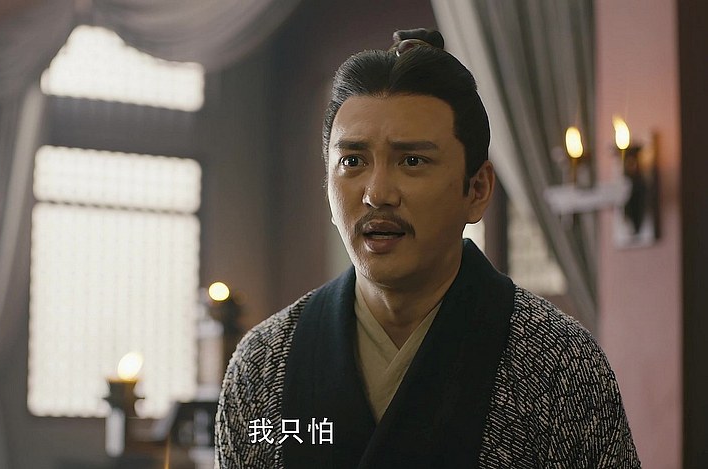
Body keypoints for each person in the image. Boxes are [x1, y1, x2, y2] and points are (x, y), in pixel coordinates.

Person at [215, 28, 640, 468]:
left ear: (477, 189)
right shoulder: (264, 361)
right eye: (353, 161)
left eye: (412, 161)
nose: (377, 194)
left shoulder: (559, 364)